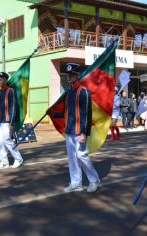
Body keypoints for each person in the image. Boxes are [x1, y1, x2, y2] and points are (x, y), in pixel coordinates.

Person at [48, 63, 100, 193]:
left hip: (79, 131)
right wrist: (53, 113)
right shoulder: (69, 93)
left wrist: (84, 133)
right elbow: (66, 113)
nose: (69, 77)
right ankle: (76, 182)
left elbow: (87, 115)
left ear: (77, 75)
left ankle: (94, 180)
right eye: (68, 74)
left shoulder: (84, 92)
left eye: (72, 74)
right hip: (69, 131)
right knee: (72, 158)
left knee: (83, 156)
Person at [0, 72, 24, 169]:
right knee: (0, 142)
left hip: (8, 122)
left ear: (5, 80)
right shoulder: (0, 93)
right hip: (1, 121)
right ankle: (4, 162)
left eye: (0, 79)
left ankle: (18, 158)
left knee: (8, 140)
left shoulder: (11, 91)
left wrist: (11, 123)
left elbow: (14, 107)